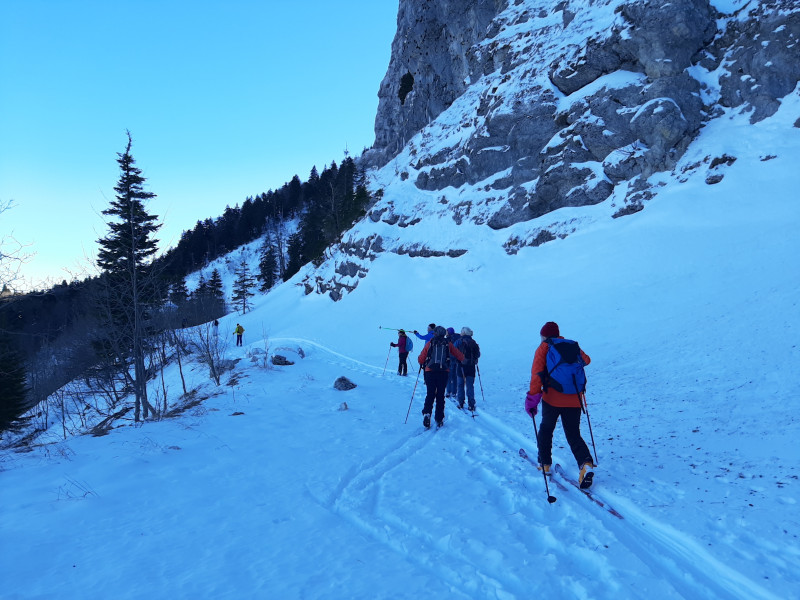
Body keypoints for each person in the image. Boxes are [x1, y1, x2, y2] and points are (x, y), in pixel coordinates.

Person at [525, 321, 594, 486]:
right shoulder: (572, 345)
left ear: (544, 335)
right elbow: (587, 360)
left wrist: (532, 400)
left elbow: (537, 375)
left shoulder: (544, 348)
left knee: (546, 429)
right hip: (574, 398)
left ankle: (545, 464)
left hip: (552, 398)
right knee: (573, 433)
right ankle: (586, 464)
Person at [417, 326, 465, 428]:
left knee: (430, 394)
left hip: (430, 372)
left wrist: (422, 361)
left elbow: (421, 358)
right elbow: (460, 356)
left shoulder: (431, 342)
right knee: (440, 395)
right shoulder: (448, 343)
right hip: (443, 372)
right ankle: (439, 418)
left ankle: (427, 413)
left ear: (435, 333)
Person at [454, 327, 481, 411]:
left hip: (460, 366)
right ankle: (471, 404)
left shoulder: (458, 341)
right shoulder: (474, 342)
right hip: (471, 367)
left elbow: (453, 351)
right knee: (470, 385)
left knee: (460, 385)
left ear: (464, 333)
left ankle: (461, 403)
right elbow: (478, 354)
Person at [445, 327, 461, 398]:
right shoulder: (459, 338)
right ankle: (454, 392)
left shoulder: (448, 340)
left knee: (448, 376)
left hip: (450, 359)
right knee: (454, 376)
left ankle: (448, 391)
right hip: (457, 359)